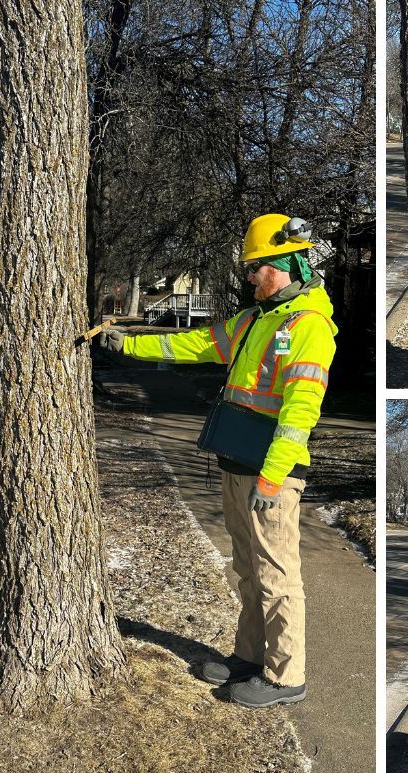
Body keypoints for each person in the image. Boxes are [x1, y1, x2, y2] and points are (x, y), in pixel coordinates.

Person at [100, 213, 338, 708]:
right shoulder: (255, 319)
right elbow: (200, 344)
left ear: (291, 264)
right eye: (250, 268)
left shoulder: (308, 327)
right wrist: (131, 344)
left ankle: (285, 676)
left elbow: (300, 413)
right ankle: (250, 658)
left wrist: (272, 479)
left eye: (257, 268)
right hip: (237, 462)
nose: (249, 277)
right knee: (249, 570)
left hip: (271, 474)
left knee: (277, 576)